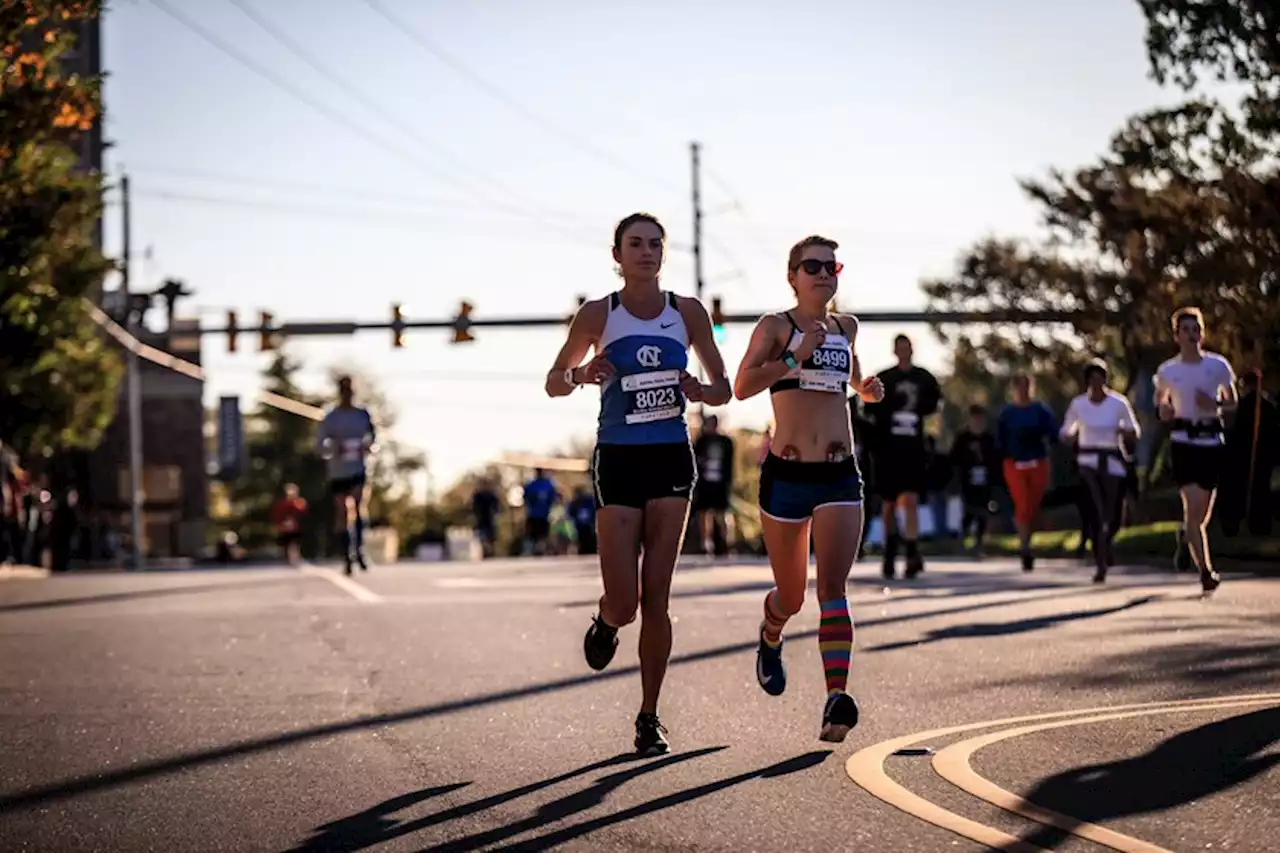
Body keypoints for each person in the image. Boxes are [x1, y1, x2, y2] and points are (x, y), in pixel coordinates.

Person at [544, 211, 731, 756]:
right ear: (617, 255)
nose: (646, 252)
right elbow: (553, 382)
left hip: (672, 459)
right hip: (618, 460)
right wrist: (582, 374)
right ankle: (606, 621)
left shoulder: (687, 313)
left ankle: (649, 716)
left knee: (657, 598)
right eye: (635, 244)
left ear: (663, 254)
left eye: (655, 244)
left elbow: (724, 388)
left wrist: (700, 389)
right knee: (625, 602)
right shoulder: (599, 313)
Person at [733, 234, 884, 743]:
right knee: (792, 595)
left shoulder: (848, 326)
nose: (823, 273)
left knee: (833, 591)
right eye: (811, 265)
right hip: (789, 476)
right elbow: (743, 385)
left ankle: (834, 700)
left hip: (840, 474)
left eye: (831, 265)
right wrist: (796, 355)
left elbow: (852, 377)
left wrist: (866, 388)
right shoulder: (777, 326)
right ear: (792, 275)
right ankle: (770, 635)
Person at [1154, 307, 1237, 594]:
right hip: (1183, 441)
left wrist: (1214, 406)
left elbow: (1233, 403)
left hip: (1211, 441)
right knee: (1192, 510)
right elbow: (1160, 405)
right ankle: (1206, 571)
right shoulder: (1168, 371)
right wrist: (1164, 410)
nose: (1192, 334)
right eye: (1186, 329)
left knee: (1202, 516)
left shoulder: (1218, 366)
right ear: (1176, 336)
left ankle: (1185, 537)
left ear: (1202, 333)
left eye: (1196, 328)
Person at [867, 334, 940, 579]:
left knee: (909, 500)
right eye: (900, 347)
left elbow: (933, 405)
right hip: (888, 450)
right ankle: (890, 550)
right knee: (888, 504)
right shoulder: (885, 378)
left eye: (907, 347)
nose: (904, 351)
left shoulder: (924, 378)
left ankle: (911, 550)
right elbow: (869, 408)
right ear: (894, 350)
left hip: (913, 448)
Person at [1060, 362, 1140, 582]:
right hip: (1088, 461)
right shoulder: (1079, 405)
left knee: (1113, 514)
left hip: (1112, 459)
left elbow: (1135, 430)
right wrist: (1069, 437)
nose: (1097, 384)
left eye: (1101, 378)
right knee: (1094, 511)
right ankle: (1100, 562)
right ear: (1087, 382)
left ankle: (1107, 541)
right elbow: (1066, 430)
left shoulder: (1118, 403)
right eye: (1092, 379)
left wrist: (1123, 431)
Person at [996, 374, 1058, 572]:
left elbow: (1053, 434)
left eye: (1026, 386)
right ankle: (1025, 548)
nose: (1023, 390)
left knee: (1033, 505)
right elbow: (999, 441)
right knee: (1022, 504)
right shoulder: (1007, 414)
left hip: (1037, 462)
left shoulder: (1040, 410)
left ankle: (1027, 540)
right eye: (1019, 386)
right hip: (1015, 464)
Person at [316, 375, 376, 575]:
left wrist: (367, 447)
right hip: (338, 470)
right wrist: (334, 449)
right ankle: (346, 556)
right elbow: (320, 444)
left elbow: (373, 437)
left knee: (359, 507)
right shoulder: (331, 417)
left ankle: (359, 550)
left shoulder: (363, 414)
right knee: (342, 512)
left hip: (358, 468)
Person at [1219, 369, 1277, 537]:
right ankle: (1255, 525)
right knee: (1259, 490)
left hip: (1246, 456)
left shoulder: (1257, 406)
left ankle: (1248, 525)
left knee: (1246, 491)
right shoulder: (1265, 405)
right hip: (1259, 456)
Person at [949, 405, 998, 558]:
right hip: (967, 480)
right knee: (968, 512)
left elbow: (995, 460)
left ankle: (979, 543)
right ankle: (962, 540)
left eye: (979, 418)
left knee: (983, 512)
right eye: (974, 418)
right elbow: (954, 460)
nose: (976, 421)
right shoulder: (962, 438)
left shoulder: (989, 439)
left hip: (985, 481)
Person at [692, 414, 735, 556]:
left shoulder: (726, 441)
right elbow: (695, 459)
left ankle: (724, 543)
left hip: (720, 482)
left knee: (721, 513)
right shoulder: (702, 441)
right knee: (704, 513)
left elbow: (730, 464)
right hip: (704, 482)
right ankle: (705, 544)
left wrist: (729, 481)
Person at [270, 483, 309, 566]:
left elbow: (304, 514)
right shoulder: (282, 504)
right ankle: (287, 558)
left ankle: (296, 557)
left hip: (296, 527)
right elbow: (276, 515)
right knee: (286, 543)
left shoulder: (300, 502)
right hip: (284, 528)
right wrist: (279, 524)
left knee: (296, 543)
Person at [522, 468, 558, 555]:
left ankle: (541, 549)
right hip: (534, 514)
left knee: (543, 534)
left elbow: (552, 498)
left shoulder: (548, 484)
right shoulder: (532, 485)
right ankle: (533, 549)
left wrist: (550, 510)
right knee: (532, 534)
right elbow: (525, 497)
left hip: (544, 514)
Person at [470, 479, 502, 558]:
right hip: (480, 519)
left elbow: (497, 506)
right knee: (482, 535)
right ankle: (484, 550)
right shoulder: (478, 495)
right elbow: (474, 507)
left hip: (490, 518)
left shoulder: (491, 495)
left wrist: (496, 514)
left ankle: (491, 551)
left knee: (491, 536)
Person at [567, 486, 598, 555]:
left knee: (591, 541)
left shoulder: (589, 501)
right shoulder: (574, 503)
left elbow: (594, 511)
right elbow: (570, 514)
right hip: (580, 526)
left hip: (589, 526)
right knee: (582, 542)